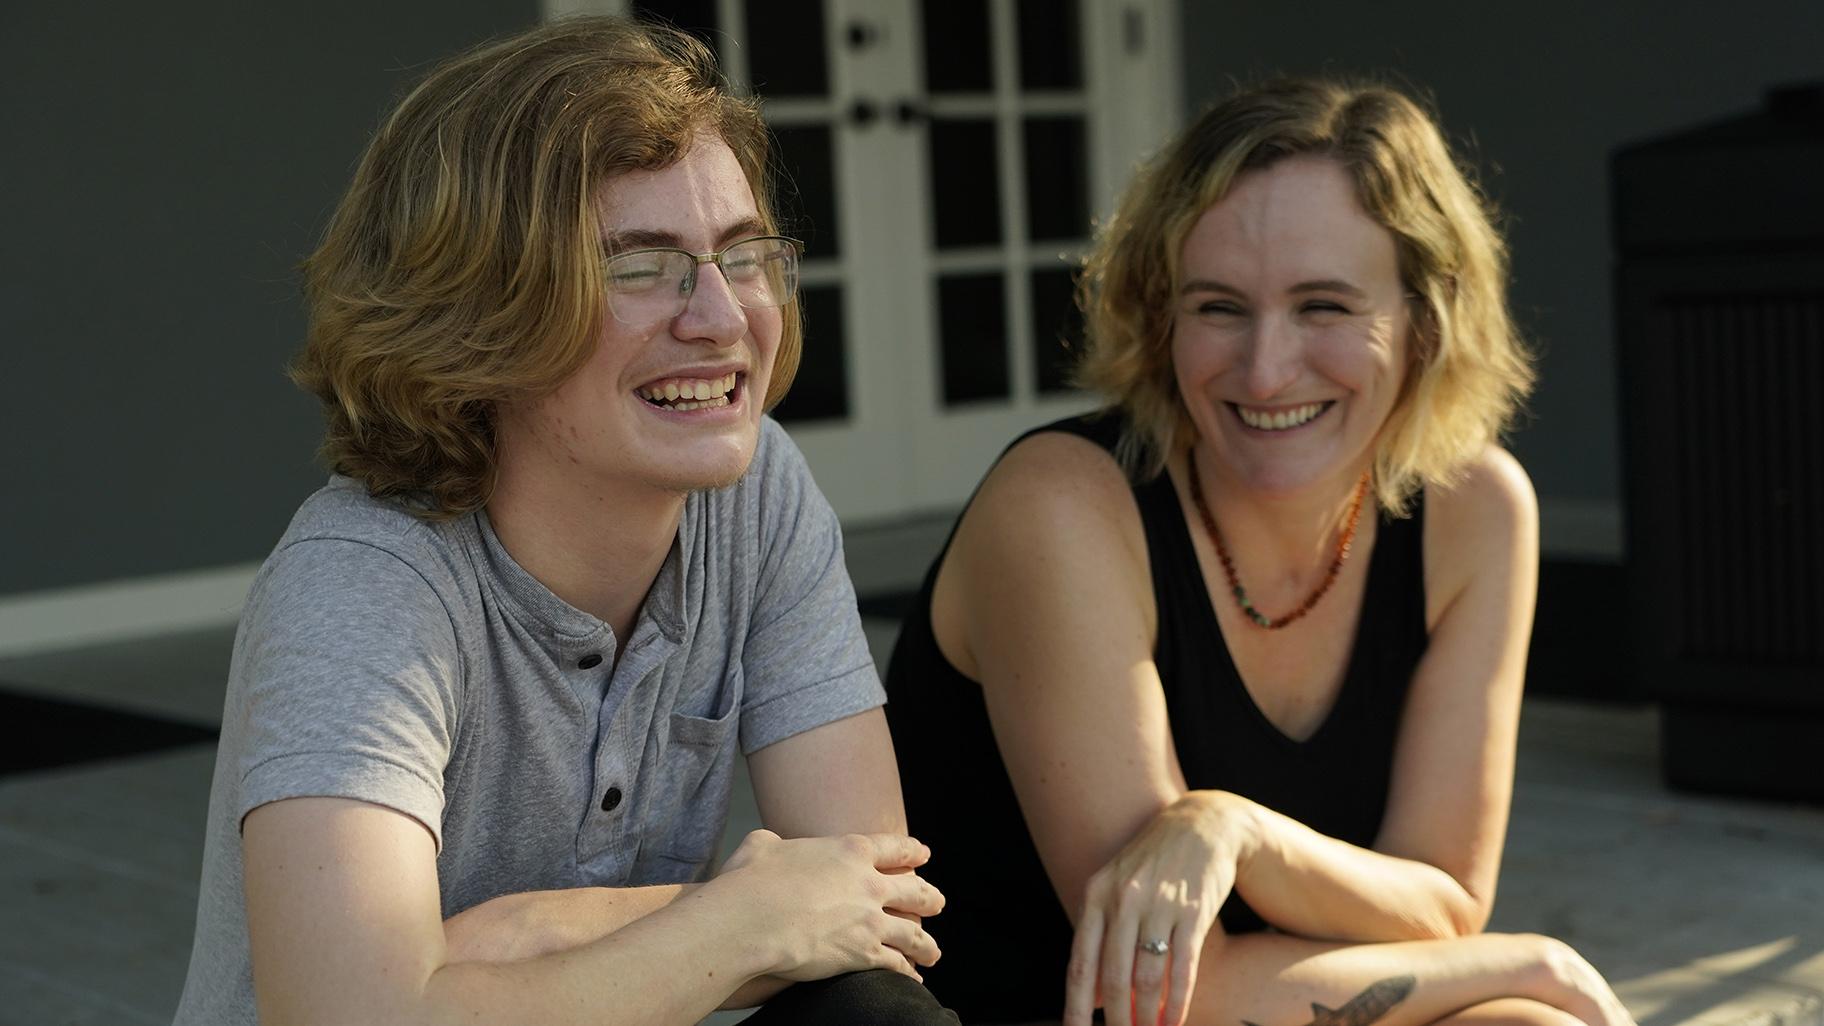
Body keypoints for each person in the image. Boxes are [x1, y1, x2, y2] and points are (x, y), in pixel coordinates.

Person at [173, 17, 959, 1026]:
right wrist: (741, 919)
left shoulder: (760, 493)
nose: (720, 318)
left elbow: (875, 913)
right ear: (479, 317)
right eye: (638, 264)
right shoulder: (364, 581)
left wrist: (514, 938)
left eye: (742, 253)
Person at [885, 79, 1635, 1026]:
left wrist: (1238, 831)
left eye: (1323, 306)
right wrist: (1532, 965)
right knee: (1535, 1006)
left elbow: (1441, 901)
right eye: (1219, 308)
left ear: (1425, 318)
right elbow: (1156, 998)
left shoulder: (1476, 510)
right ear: (1162, 316)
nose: (1267, 369)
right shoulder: (1063, 508)